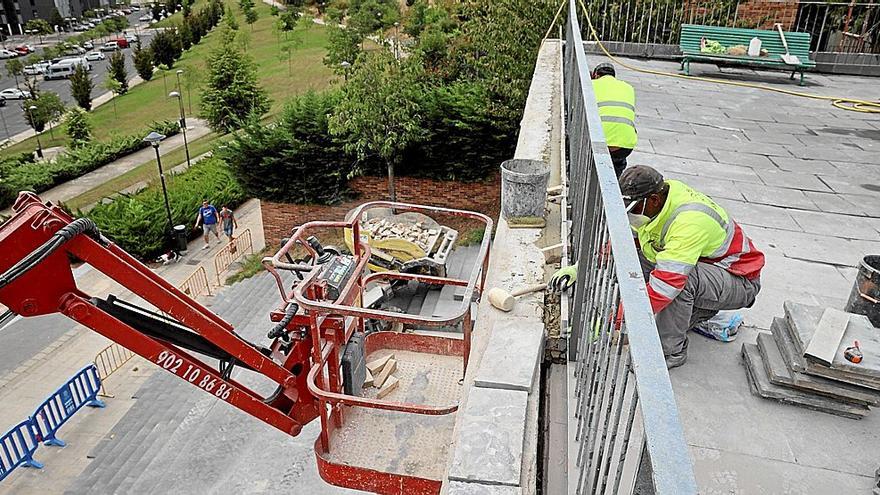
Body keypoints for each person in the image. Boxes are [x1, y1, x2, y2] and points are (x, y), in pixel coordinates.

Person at [550, 166, 764, 369]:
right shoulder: (658, 200)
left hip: (739, 280)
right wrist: (581, 268)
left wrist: (614, 320)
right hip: (707, 268)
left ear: (653, 200)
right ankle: (697, 315)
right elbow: (622, 244)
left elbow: (667, 284)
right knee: (649, 267)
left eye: (632, 209)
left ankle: (671, 352)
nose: (629, 215)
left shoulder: (689, 223)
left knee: (681, 282)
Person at [591, 62, 637, 177]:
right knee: (617, 166)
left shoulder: (591, 85)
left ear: (596, 75)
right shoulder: (628, 87)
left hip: (599, 141)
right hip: (625, 144)